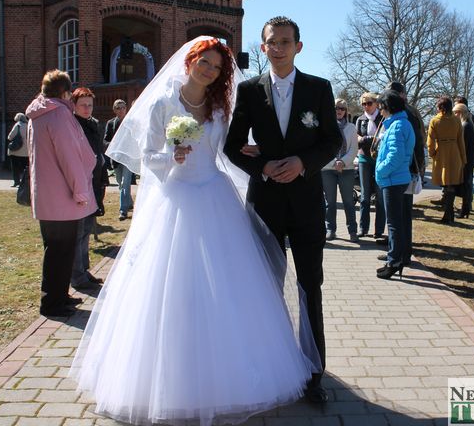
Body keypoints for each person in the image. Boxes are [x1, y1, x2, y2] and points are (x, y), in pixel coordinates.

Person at [71, 37, 323, 425]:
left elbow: (225, 151)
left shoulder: (220, 107)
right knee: (172, 287)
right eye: (204, 62)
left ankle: (229, 372)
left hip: (215, 196)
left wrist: (255, 154)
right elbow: (146, 158)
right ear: (190, 61)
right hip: (176, 199)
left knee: (226, 289)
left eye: (216, 67)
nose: (209, 70)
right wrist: (171, 156)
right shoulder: (163, 103)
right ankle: (172, 378)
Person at [224, 16, 342, 404]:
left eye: (285, 42)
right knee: (265, 289)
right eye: (271, 42)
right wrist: (263, 167)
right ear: (262, 47)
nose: (278, 48)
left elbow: (332, 141)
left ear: (298, 47)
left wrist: (303, 163)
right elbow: (232, 146)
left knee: (309, 286)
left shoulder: (319, 88)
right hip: (265, 204)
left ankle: (313, 374)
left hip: (307, 204)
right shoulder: (248, 91)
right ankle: (268, 369)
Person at [26, 70, 97, 317]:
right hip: (63, 196)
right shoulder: (58, 114)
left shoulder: (38, 114)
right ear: (65, 92)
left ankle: (58, 295)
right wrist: (81, 192)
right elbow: (70, 157)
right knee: (61, 251)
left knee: (56, 250)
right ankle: (52, 303)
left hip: (47, 195)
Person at [374, 90, 415, 280]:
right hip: (396, 179)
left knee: (394, 224)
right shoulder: (401, 123)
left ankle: (394, 262)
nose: (380, 111)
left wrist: (380, 170)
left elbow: (396, 156)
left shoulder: (398, 126)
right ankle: (396, 259)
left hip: (393, 180)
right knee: (397, 222)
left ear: (388, 107)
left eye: (381, 107)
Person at [70, 87, 105, 292]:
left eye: (90, 105)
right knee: (78, 232)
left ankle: (84, 269)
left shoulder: (93, 124)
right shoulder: (72, 125)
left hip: (94, 183)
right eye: (82, 105)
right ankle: (77, 275)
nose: (86, 108)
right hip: (81, 184)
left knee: (86, 231)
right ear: (74, 105)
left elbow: (98, 154)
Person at [322, 99, 359, 242]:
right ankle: (330, 230)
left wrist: (342, 162)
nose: (339, 110)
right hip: (328, 168)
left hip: (346, 168)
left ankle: (352, 231)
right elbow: (323, 148)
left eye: (342, 108)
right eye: (336, 108)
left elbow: (354, 149)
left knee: (348, 201)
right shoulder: (325, 126)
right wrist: (334, 162)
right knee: (330, 202)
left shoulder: (351, 128)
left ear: (346, 111)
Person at [427, 96, 466, 224]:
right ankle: (449, 213)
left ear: (441, 107)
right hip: (455, 152)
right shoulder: (456, 120)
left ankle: (448, 213)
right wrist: (463, 158)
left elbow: (430, 141)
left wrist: (432, 153)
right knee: (451, 183)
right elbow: (461, 140)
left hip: (442, 152)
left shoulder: (435, 120)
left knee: (446, 182)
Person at [355, 92, 385, 240]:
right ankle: (363, 228)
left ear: (376, 104)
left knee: (380, 196)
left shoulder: (383, 118)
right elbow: (356, 137)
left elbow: (382, 138)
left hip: (379, 159)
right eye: (363, 104)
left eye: (369, 103)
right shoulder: (360, 119)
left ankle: (378, 231)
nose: (366, 106)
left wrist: (366, 139)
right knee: (365, 196)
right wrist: (367, 139)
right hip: (364, 158)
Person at [104, 99, 133, 220]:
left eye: (123, 107)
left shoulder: (131, 122)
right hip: (116, 158)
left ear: (126, 109)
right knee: (120, 184)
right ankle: (129, 203)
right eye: (118, 108)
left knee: (125, 183)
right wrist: (114, 145)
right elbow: (105, 140)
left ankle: (123, 211)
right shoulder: (111, 123)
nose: (121, 110)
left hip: (128, 158)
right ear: (114, 110)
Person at [453, 102, 474, 218]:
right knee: (466, 185)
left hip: (466, 160)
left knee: (465, 186)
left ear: (460, 113)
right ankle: (465, 210)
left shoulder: (465, 126)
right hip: (469, 160)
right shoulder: (469, 124)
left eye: (456, 113)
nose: (455, 115)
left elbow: (463, 145)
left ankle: (464, 210)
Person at [7, 113, 29, 187]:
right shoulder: (29, 125)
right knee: (25, 168)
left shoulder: (17, 125)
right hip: (26, 152)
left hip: (16, 151)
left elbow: (10, 137)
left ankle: (17, 182)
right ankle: (26, 182)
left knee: (15, 167)